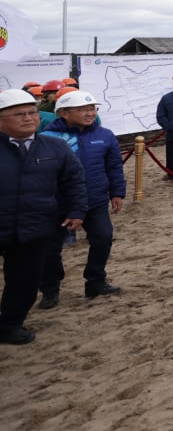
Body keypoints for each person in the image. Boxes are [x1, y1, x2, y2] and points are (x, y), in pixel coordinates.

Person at [0, 89, 87, 345]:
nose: (29, 118)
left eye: (32, 112)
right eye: (19, 114)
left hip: (36, 225)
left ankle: (10, 324)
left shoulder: (55, 146)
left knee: (25, 279)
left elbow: (74, 181)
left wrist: (76, 211)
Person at [38, 91, 126, 308]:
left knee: (103, 239)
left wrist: (117, 192)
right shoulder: (47, 138)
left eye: (93, 109)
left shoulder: (105, 135)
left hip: (94, 200)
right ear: (65, 113)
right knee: (50, 249)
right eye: (84, 109)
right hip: (57, 204)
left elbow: (114, 166)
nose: (90, 113)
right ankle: (50, 288)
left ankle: (95, 280)